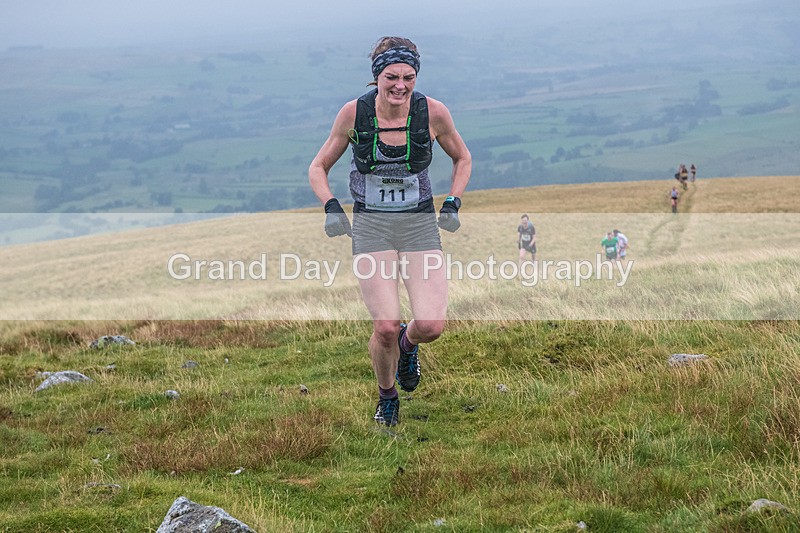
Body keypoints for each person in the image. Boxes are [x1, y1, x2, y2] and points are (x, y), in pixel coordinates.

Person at [308, 37, 471, 427]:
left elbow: (462, 157)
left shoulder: (433, 113)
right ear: (376, 77)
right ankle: (387, 398)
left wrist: (453, 201)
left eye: (408, 77)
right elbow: (318, 167)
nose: (400, 85)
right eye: (391, 77)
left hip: (417, 223)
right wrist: (331, 206)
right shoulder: (354, 114)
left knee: (431, 325)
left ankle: (407, 343)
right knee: (383, 325)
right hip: (371, 225)